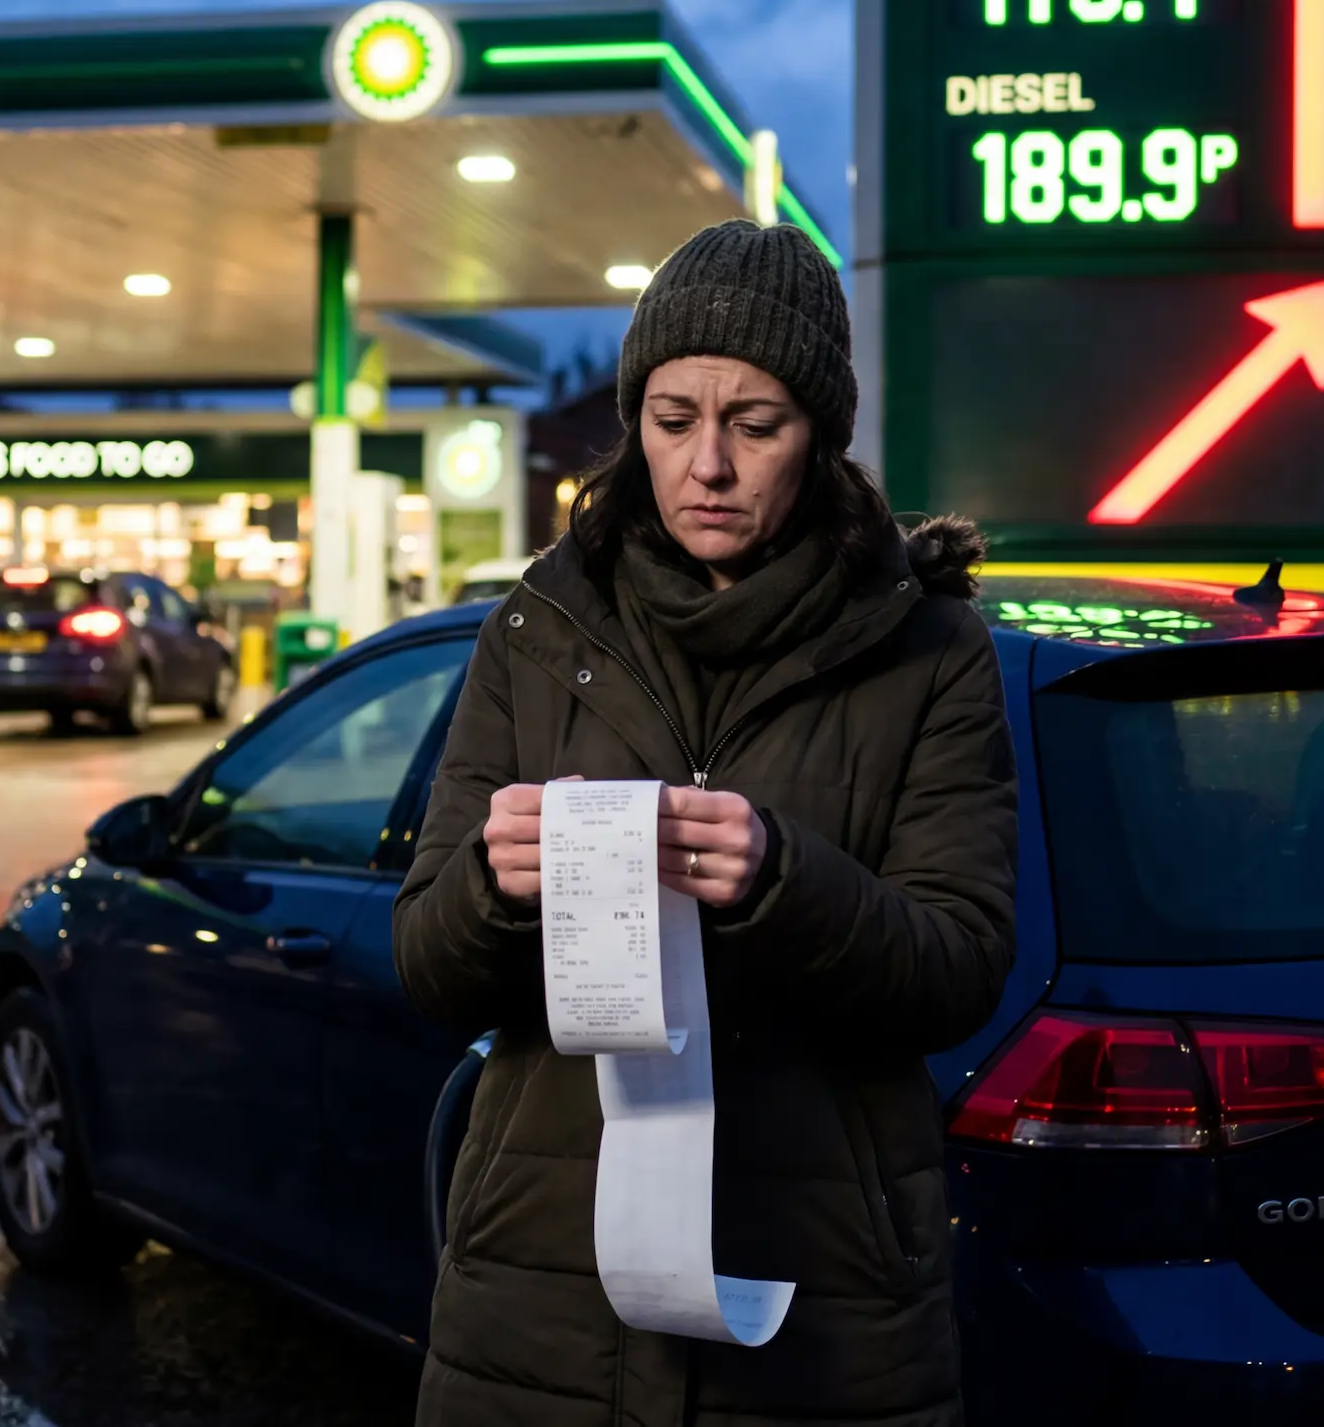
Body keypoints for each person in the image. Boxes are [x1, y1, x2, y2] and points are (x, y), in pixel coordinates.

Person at [394, 219, 1020, 1427]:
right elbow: (428, 965)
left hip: (818, 1293)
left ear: (820, 435)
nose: (708, 467)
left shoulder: (929, 650)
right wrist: (490, 882)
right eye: (673, 421)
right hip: (542, 1289)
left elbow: (959, 966)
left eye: (755, 424)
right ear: (635, 423)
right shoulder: (538, 630)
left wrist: (783, 879)